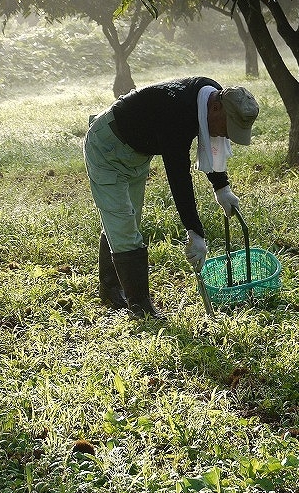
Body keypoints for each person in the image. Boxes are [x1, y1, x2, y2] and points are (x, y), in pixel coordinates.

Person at [83, 78, 260, 318]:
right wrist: (194, 231)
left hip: (136, 152)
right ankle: (140, 307)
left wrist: (222, 187)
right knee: (123, 226)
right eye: (228, 128)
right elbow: (178, 175)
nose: (226, 135)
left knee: (128, 221)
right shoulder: (177, 112)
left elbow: (212, 143)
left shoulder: (213, 94)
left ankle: (110, 289)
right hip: (107, 146)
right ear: (216, 108)